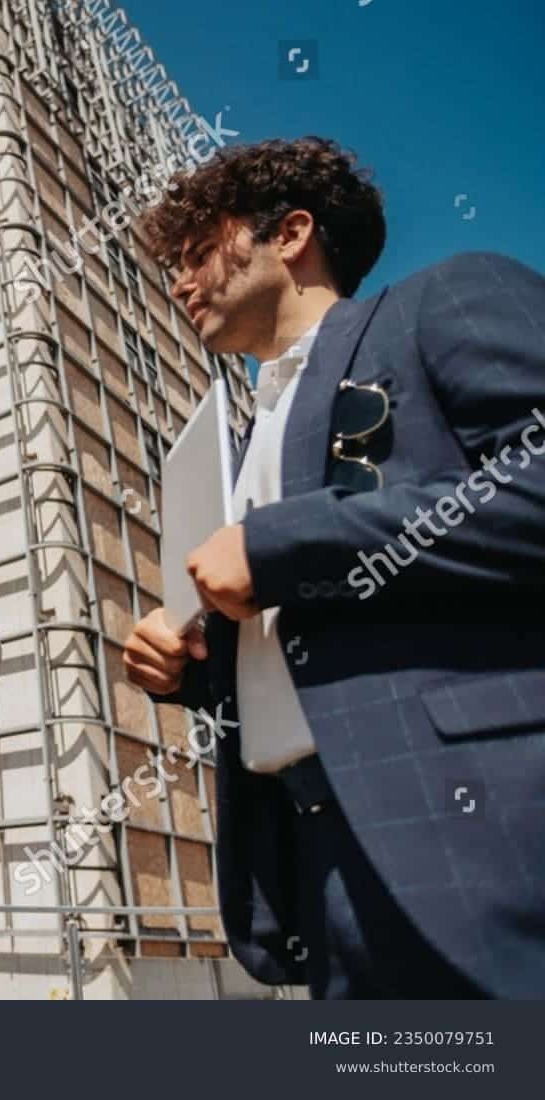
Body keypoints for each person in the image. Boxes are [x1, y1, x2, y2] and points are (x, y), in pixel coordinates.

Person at [123, 136, 545, 998]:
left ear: (292, 234)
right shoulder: (237, 451)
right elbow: (312, 640)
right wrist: (191, 669)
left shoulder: (446, 299)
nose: (178, 283)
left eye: (199, 252)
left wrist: (282, 548)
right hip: (315, 867)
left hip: (481, 839)